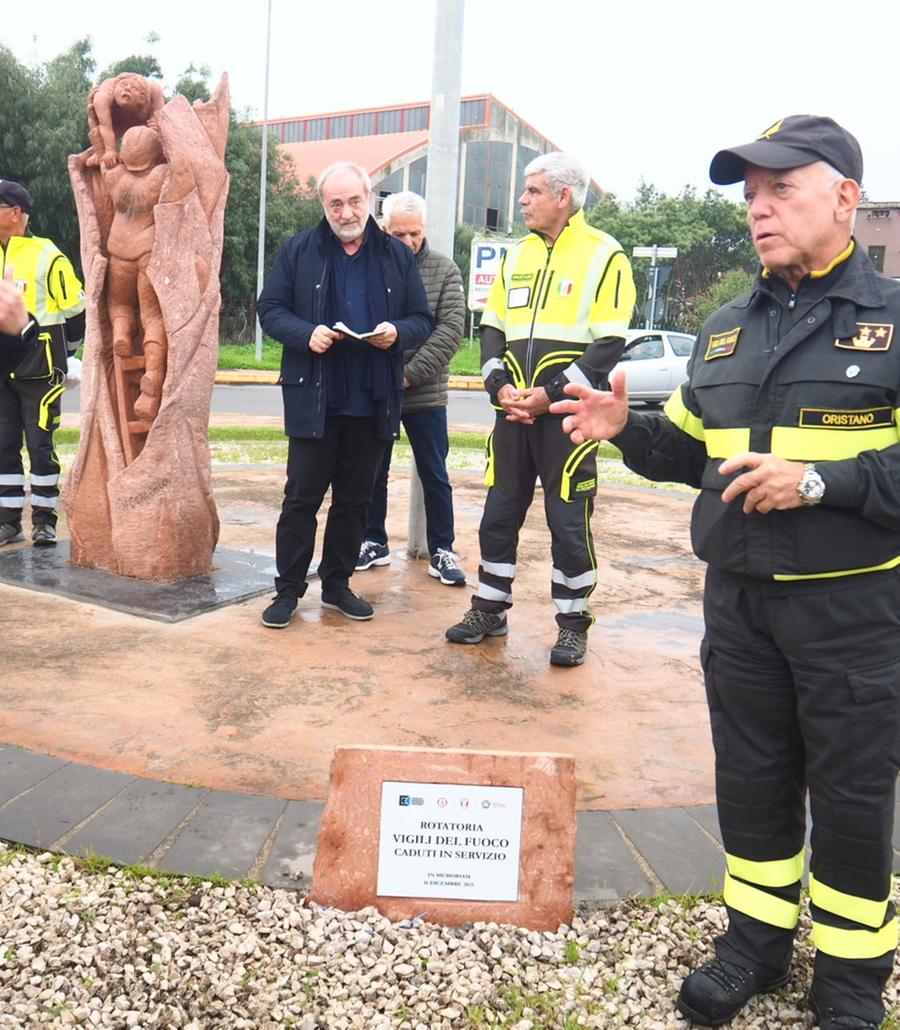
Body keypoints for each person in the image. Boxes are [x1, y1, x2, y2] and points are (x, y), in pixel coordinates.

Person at [552, 115, 898, 1029]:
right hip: (739, 607)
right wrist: (625, 430)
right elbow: (691, 451)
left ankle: (851, 977)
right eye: (750, 194)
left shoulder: (895, 322)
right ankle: (756, 941)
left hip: (853, 613)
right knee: (750, 779)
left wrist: (819, 481)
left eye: (781, 188)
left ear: (846, 198)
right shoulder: (722, 332)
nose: (758, 208)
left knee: (853, 795)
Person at [445, 152, 636, 667]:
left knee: (567, 521)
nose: (522, 201)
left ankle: (573, 625)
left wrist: (550, 395)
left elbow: (608, 343)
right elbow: (492, 325)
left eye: (532, 191)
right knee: (498, 515)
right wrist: (498, 387)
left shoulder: (605, 255)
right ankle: (489, 609)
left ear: (563, 196)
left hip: (568, 419)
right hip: (512, 415)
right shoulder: (517, 255)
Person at [256, 161, 432, 628]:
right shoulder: (299, 250)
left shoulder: (395, 255)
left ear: (369, 199)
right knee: (301, 499)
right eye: (336, 203)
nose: (346, 212)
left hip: (372, 400)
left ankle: (337, 586)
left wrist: (397, 333)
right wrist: (304, 333)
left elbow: (422, 319)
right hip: (315, 397)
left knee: (355, 501)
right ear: (323, 206)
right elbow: (269, 308)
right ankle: (288, 591)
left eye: (354, 201)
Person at [356, 191, 467, 586]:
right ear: (384, 228)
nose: (408, 241)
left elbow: (450, 331)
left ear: (424, 229)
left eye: (415, 233)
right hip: (377, 390)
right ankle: (373, 541)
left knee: (435, 472)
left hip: (424, 392)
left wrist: (407, 376)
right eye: (399, 234)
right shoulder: (366, 266)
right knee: (373, 471)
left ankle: (442, 549)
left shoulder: (445, 270)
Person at [0, 180, 85, 547]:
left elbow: (76, 311)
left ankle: (44, 521)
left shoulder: (48, 255)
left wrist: (70, 356)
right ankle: (8, 522)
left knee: (39, 445)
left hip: (40, 369)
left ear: (15, 212)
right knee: (3, 446)